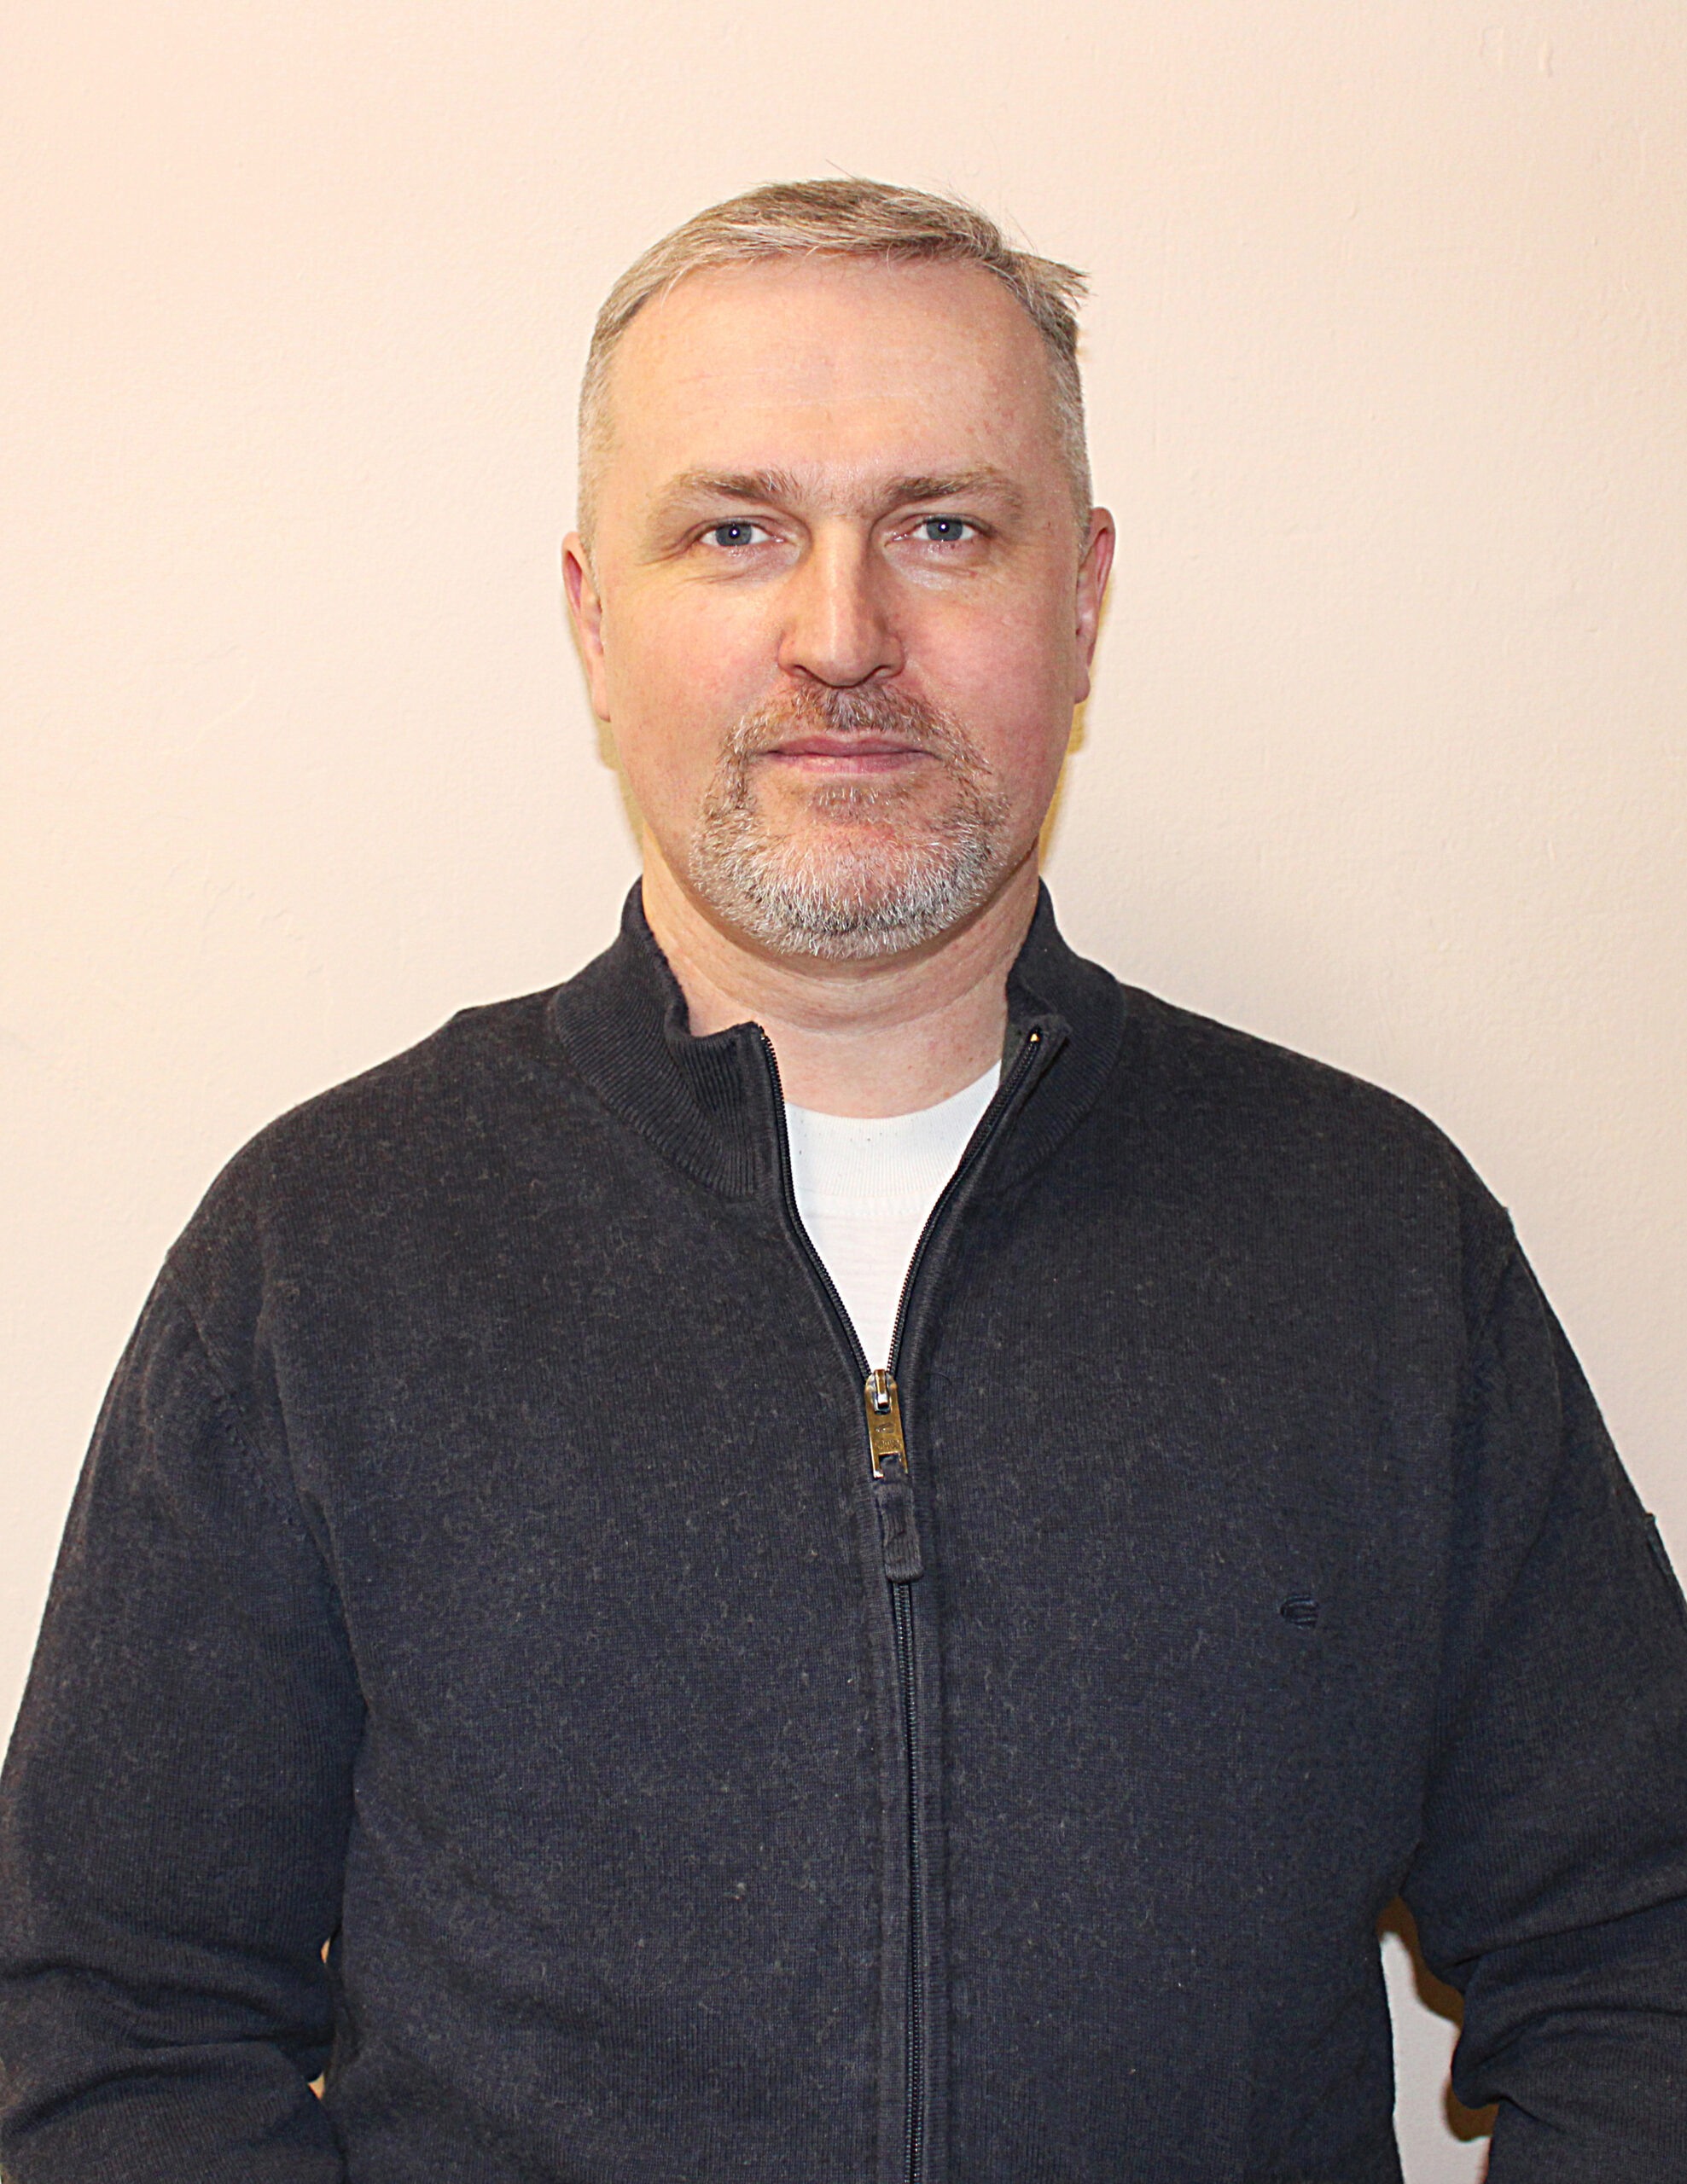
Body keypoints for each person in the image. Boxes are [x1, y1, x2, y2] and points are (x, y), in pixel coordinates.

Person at [2, 178, 1684, 2184]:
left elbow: (1639, 1952)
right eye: (735, 530)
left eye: (941, 526)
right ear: (593, 618)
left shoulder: (1368, 1241)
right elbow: (107, 2017)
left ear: (1082, 599)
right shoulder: (325, 1252)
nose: (840, 636)